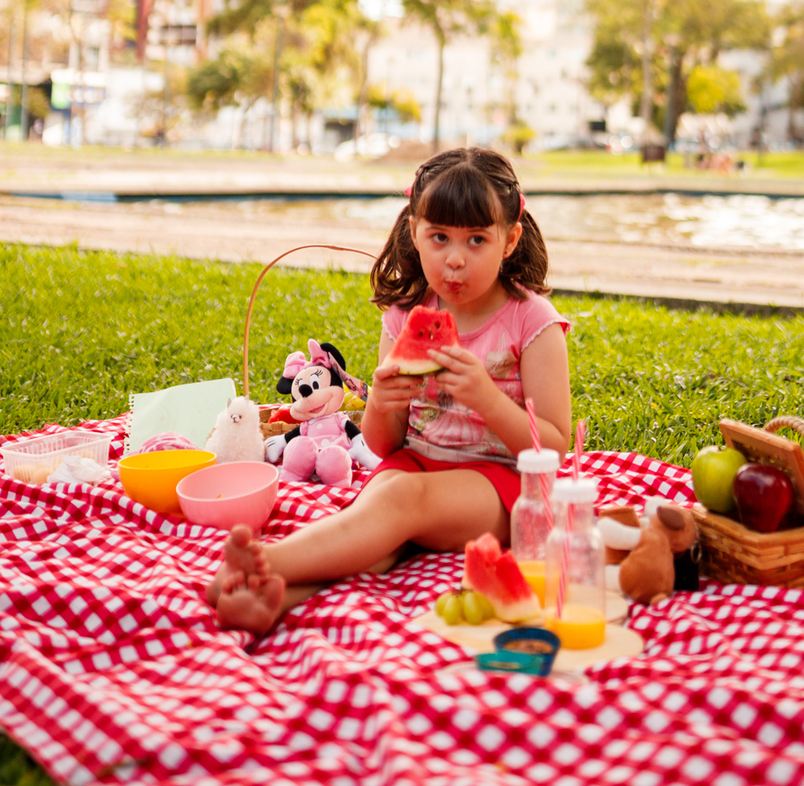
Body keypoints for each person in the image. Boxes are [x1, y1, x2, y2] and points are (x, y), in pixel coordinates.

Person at [207, 147, 571, 632]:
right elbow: (381, 445)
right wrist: (381, 400)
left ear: (510, 241)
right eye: (439, 237)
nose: (455, 259)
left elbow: (554, 445)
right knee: (377, 528)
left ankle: (264, 564)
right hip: (413, 462)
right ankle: (276, 599)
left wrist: (485, 396)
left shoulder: (533, 321)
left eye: (477, 240)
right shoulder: (404, 316)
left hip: (501, 486)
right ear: (415, 231)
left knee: (399, 502)